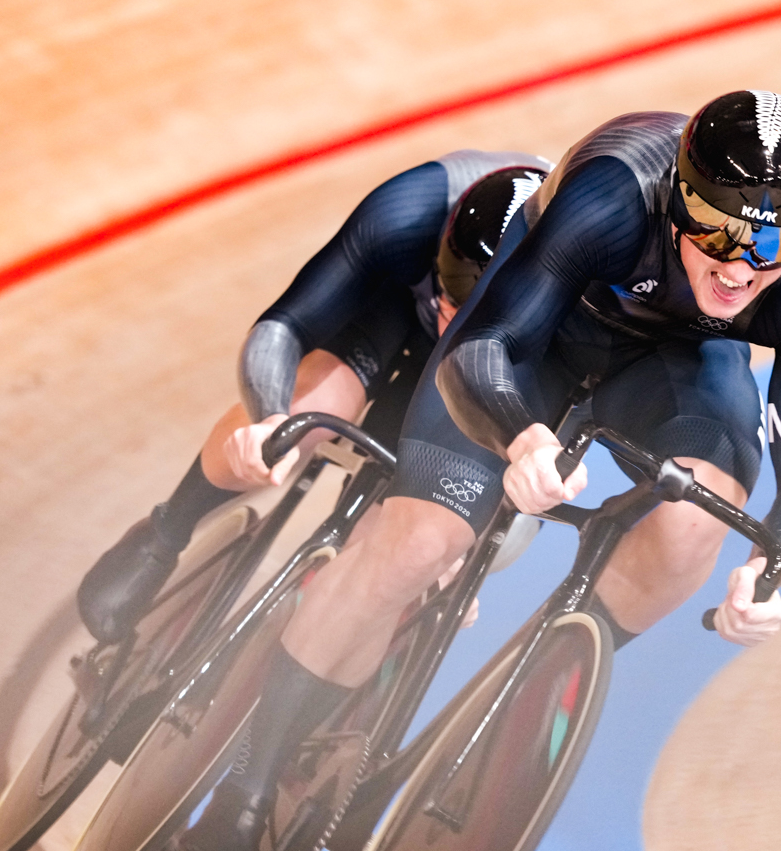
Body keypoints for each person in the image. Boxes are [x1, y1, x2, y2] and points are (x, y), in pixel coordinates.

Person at [177, 90, 781, 851]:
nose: (742, 264)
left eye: (773, 243)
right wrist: (522, 435)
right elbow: (485, 349)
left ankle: (491, 710)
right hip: (537, 336)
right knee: (423, 538)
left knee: (692, 527)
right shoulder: (614, 192)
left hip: (679, 372)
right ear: (677, 201)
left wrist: (768, 569)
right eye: (717, 229)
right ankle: (245, 790)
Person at [74, 151, 550, 650]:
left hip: (493, 365)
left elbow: (543, 440)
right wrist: (268, 419)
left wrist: (458, 544)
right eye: (452, 301)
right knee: (306, 414)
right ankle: (168, 529)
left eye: (467, 316)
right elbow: (283, 327)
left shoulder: (576, 296)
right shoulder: (407, 214)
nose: (451, 323)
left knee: (397, 539)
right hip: (392, 306)